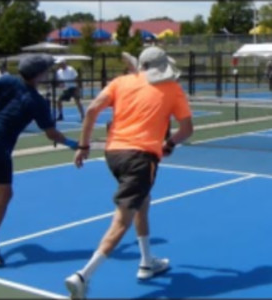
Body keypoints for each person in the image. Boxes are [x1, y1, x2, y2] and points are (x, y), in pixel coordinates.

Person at [65, 46, 193, 299]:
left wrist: (83, 145)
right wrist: (169, 144)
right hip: (141, 159)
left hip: (114, 156)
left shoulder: (120, 82)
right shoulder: (173, 90)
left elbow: (91, 111)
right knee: (122, 220)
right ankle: (83, 276)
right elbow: (187, 129)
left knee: (143, 204)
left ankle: (147, 262)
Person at [0, 54, 78, 265]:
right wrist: (73, 144)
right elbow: (51, 134)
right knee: (5, 193)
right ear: (39, 74)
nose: (48, 72)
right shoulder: (37, 102)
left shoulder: (6, 80)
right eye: (47, 70)